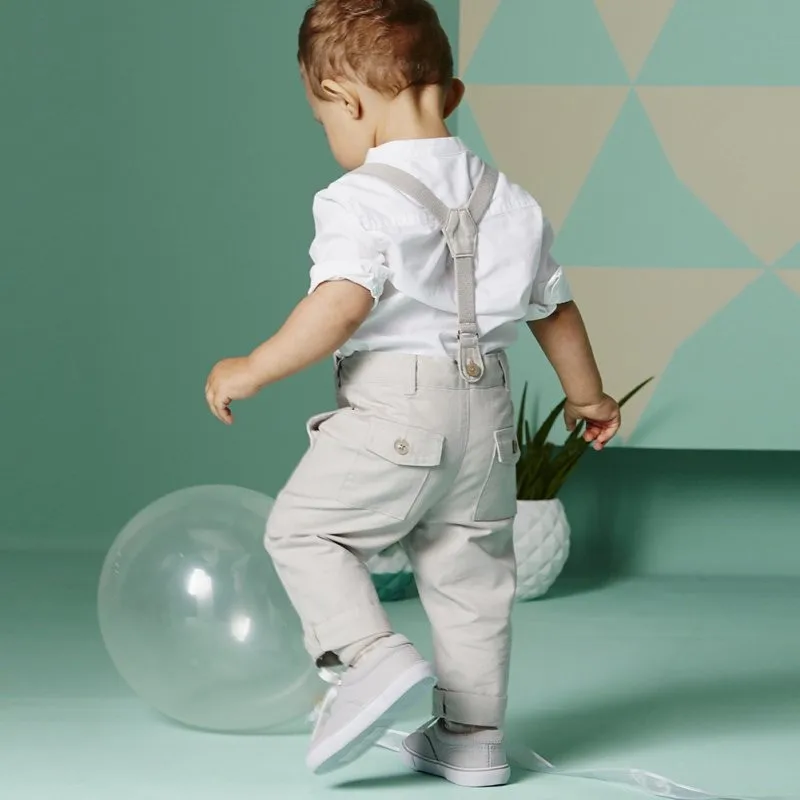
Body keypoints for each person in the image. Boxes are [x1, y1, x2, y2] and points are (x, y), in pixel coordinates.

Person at [205, 0, 621, 786]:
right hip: (488, 423)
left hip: (399, 411)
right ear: (451, 94)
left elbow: (340, 304)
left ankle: (367, 657)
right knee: (471, 581)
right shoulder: (512, 199)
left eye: (324, 119)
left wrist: (253, 366)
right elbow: (555, 309)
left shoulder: (358, 197)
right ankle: (472, 738)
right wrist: (586, 396)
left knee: (305, 531)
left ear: (347, 101)